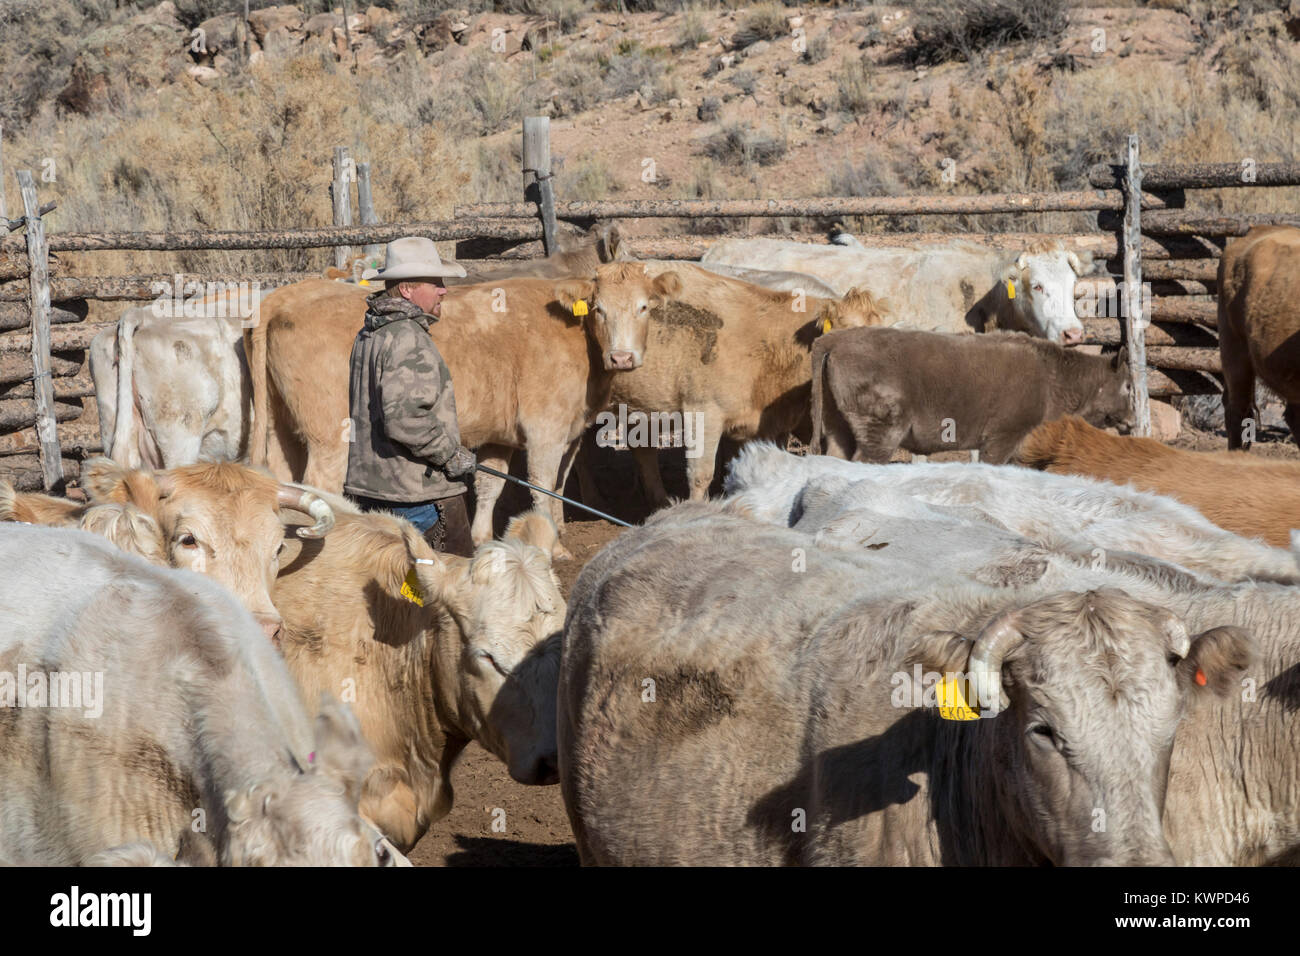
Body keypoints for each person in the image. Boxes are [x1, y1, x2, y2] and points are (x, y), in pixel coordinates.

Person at [344, 236, 477, 556]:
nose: (443, 289)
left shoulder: (369, 333)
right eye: (434, 282)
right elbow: (406, 419)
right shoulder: (408, 337)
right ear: (406, 289)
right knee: (446, 596)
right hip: (416, 496)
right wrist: (451, 455)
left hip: (371, 492)